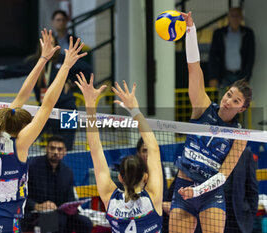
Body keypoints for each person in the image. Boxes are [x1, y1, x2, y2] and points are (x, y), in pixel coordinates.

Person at [0, 29, 87, 232]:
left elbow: (22, 96)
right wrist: (65, 66)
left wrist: (43, 58)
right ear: (22, 128)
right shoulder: (19, 143)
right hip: (2, 222)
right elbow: (47, 105)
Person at [169, 12, 252, 233]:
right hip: (183, 187)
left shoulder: (240, 136)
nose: (228, 101)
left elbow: (223, 175)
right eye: (228, 95)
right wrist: (190, 30)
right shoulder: (202, 107)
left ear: (242, 108)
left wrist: (197, 192)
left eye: (236, 101)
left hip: (210, 194)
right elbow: (194, 67)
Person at [75, 73, 163, 233]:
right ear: (145, 177)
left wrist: (90, 104)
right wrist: (134, 109)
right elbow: (154, 149)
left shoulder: (111, 200)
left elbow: (95, 150)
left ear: (120, 177)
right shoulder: (153, 198)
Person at [0, 36, 92, 150]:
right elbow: (10, 71)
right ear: (40, 46)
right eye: (46, 43)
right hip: (45, 109)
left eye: (51, 43)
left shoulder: (63, 60)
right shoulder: (34, 62)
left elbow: (87, 69)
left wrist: (72, 85)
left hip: (67, 109)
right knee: (28, 137)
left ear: (57, 46)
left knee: (67, 145)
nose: (48, 46)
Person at [22, 135, 93, 233]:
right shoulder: (32, 167)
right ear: (46, 149)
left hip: (60, 213)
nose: (56, 152)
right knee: (57, 220)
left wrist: (72, 207)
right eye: (52, 148)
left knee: (85, 222)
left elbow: (70, 198)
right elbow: (21, 195)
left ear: (64, 152)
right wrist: (37, 205)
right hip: (35, 213)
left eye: (59, 149)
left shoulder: (67, 172)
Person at [208, 7, 255, 91]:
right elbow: (213, 56)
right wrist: (213, 76)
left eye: (237, 16)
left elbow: (250, 57)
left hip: (241, 76)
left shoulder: (247, 34)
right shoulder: (219, 34)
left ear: (241, 18)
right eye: (232, 16)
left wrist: (246, 77)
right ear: (228, 17)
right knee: (223, 102)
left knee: (239, 102)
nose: (235, 19)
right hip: (223, 76)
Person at [224, 147, 258, 233]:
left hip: (239, 220)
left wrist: (249, 218)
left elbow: (252, 189)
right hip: (215, 215)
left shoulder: (245, 153)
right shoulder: (212, 151)